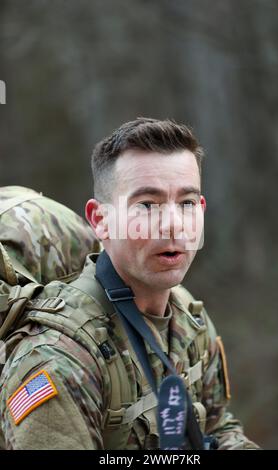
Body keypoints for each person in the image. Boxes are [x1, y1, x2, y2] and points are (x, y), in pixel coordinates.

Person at [0, 119, 259, 450]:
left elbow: (218, 426)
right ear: (100, 220)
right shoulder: (59, 360)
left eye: (187, 203)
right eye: (147, 205)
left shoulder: (188, 317)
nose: (173, 225)